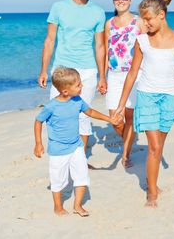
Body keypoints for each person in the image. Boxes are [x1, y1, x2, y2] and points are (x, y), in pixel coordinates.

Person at [113, 0, 174, 207]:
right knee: (154, 147)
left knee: (159, 148)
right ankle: (152, 193)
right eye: (143, 19)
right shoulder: (141, 41)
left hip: (168, 98)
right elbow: (131, 73)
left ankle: (152, 180)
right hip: (146, 96)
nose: (144, 23)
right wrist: (121, 105)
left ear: (162, 15)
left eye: (148, 19)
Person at [33, 67, 122, 216]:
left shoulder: (77, 100)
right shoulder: (51, 107)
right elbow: (38, 121)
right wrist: (38, 143)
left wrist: (109, 119)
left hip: (76, 146)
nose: (82, 86)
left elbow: (91, 112)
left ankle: (77, 205)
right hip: (58, 150)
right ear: (65, 91)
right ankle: (58, 206)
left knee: (82, 176)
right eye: (78, 85)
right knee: (58, 180)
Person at [38, 0, 107, 157]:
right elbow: (50, 40)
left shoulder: (98, 12)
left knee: (83, 116)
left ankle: (80, 160)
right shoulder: (58, 8)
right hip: (62, 69)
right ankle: (60, 156)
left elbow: (100, 46)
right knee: (56, 114)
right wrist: (44, 70)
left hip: (87, 70)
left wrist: (102, 77)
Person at [104, 0, 146, 168]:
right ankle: (129, 139)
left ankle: (126, 154)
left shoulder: (139, 22)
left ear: (130, 0)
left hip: (135, 75)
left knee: (129, 116)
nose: (120, 0)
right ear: (113, 0)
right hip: (114, 75)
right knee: (114, 118)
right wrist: (102, 77)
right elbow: (106, 51)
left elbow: (148, 47)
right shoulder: (109, 23)